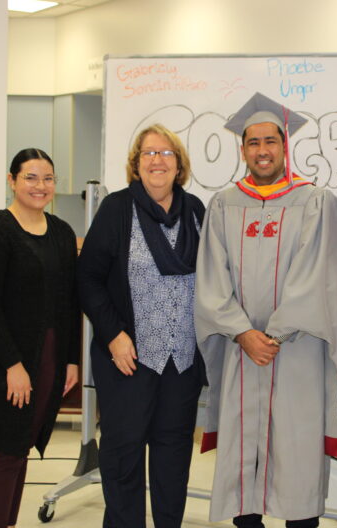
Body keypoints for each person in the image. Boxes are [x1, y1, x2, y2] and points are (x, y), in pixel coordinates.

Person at [195, 92, 337, 528]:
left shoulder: (316, 202)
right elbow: (211, 278)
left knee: (294, 453)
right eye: (253, 143)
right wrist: (243, 333)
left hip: (295, 352)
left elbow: (314, 276)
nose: (262, 151)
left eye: (270, 142)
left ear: (285, 146)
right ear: (242, 149)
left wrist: (273, 336)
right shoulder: (223, 204)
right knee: (245, 460)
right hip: (243, 352)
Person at [77, 124, 206, 527]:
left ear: (179, 164)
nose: (157, 161)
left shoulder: (197, 211)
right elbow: (88, 278)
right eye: (148, 153)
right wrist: (113, 334)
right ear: (135, 164)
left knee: (173, 456)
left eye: (166, 154)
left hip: (181, 362)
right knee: (123, 453)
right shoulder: (117, 209)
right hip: (127, 359)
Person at [0, 148, 80, 528]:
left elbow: (69, 301)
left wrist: (72, 359)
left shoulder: (62, 233)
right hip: (5, 359)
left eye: (47, 178)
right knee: (8, 450)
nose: (40, 186)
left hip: (47, 355)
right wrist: (12, 365)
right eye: (30, 177)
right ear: (12, 180)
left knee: (22, 445)